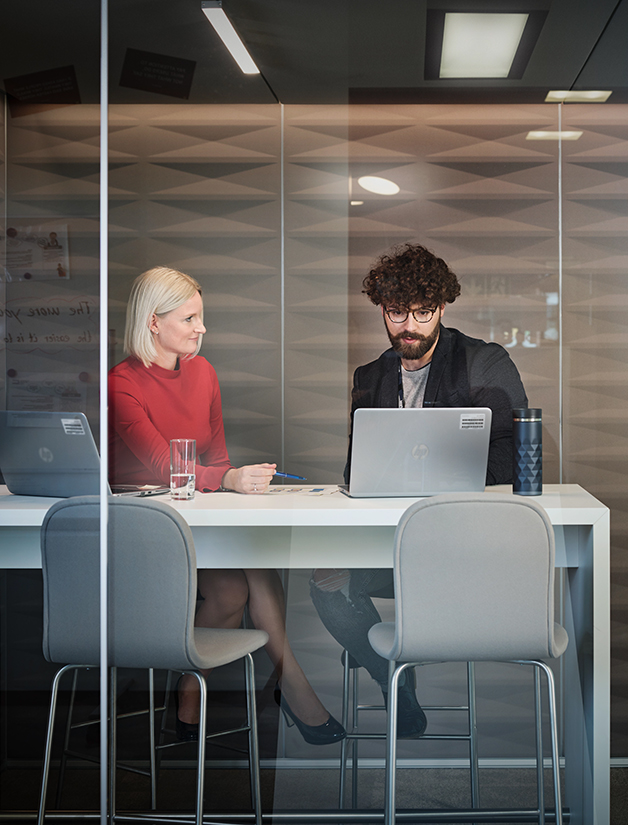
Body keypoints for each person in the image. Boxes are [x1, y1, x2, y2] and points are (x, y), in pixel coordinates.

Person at [109, 265, 345, 746]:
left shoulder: (204, 373)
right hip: (148, 531)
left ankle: (200, 694)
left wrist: (232, 478)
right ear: (153, 322)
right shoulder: (121, 382)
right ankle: (284, 684)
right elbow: (161, 464)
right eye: (190, 318)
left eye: (202, 318)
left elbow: (214, 458)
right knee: (240, 584)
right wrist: (230, 479)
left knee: (246, 578)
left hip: (199, 522)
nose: (201, 329)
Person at [310, 242, 528, 738]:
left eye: (423, 312)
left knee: (337, 579)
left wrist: (430, 482)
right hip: (398, 550)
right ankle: (393, 681)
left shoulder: (484, 364)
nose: (409, 325)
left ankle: (391, 675)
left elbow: (515, 456)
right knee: (326, 581)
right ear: (382, 311)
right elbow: (359, 470)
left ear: (442, 308)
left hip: (465, 549)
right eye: (396, 313)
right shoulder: (369, 377)